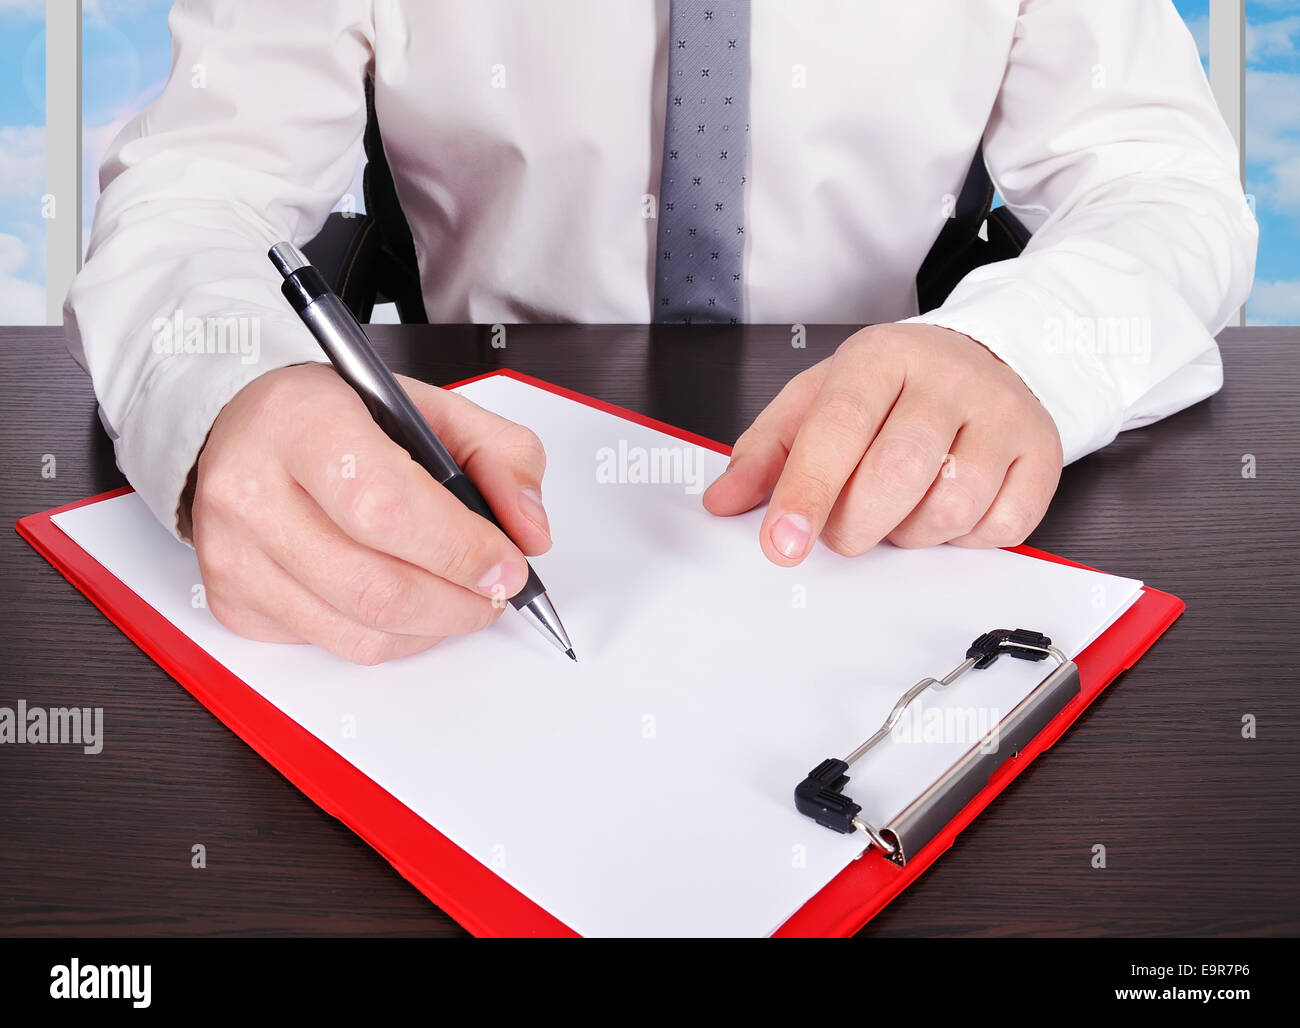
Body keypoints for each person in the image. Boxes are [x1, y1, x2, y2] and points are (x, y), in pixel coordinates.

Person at [64, 0, 1256, 664]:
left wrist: (1020, 351)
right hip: (495, 469)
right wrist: (228, 395)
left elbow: (1162, 181)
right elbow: (193, 189)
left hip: (877, 531)